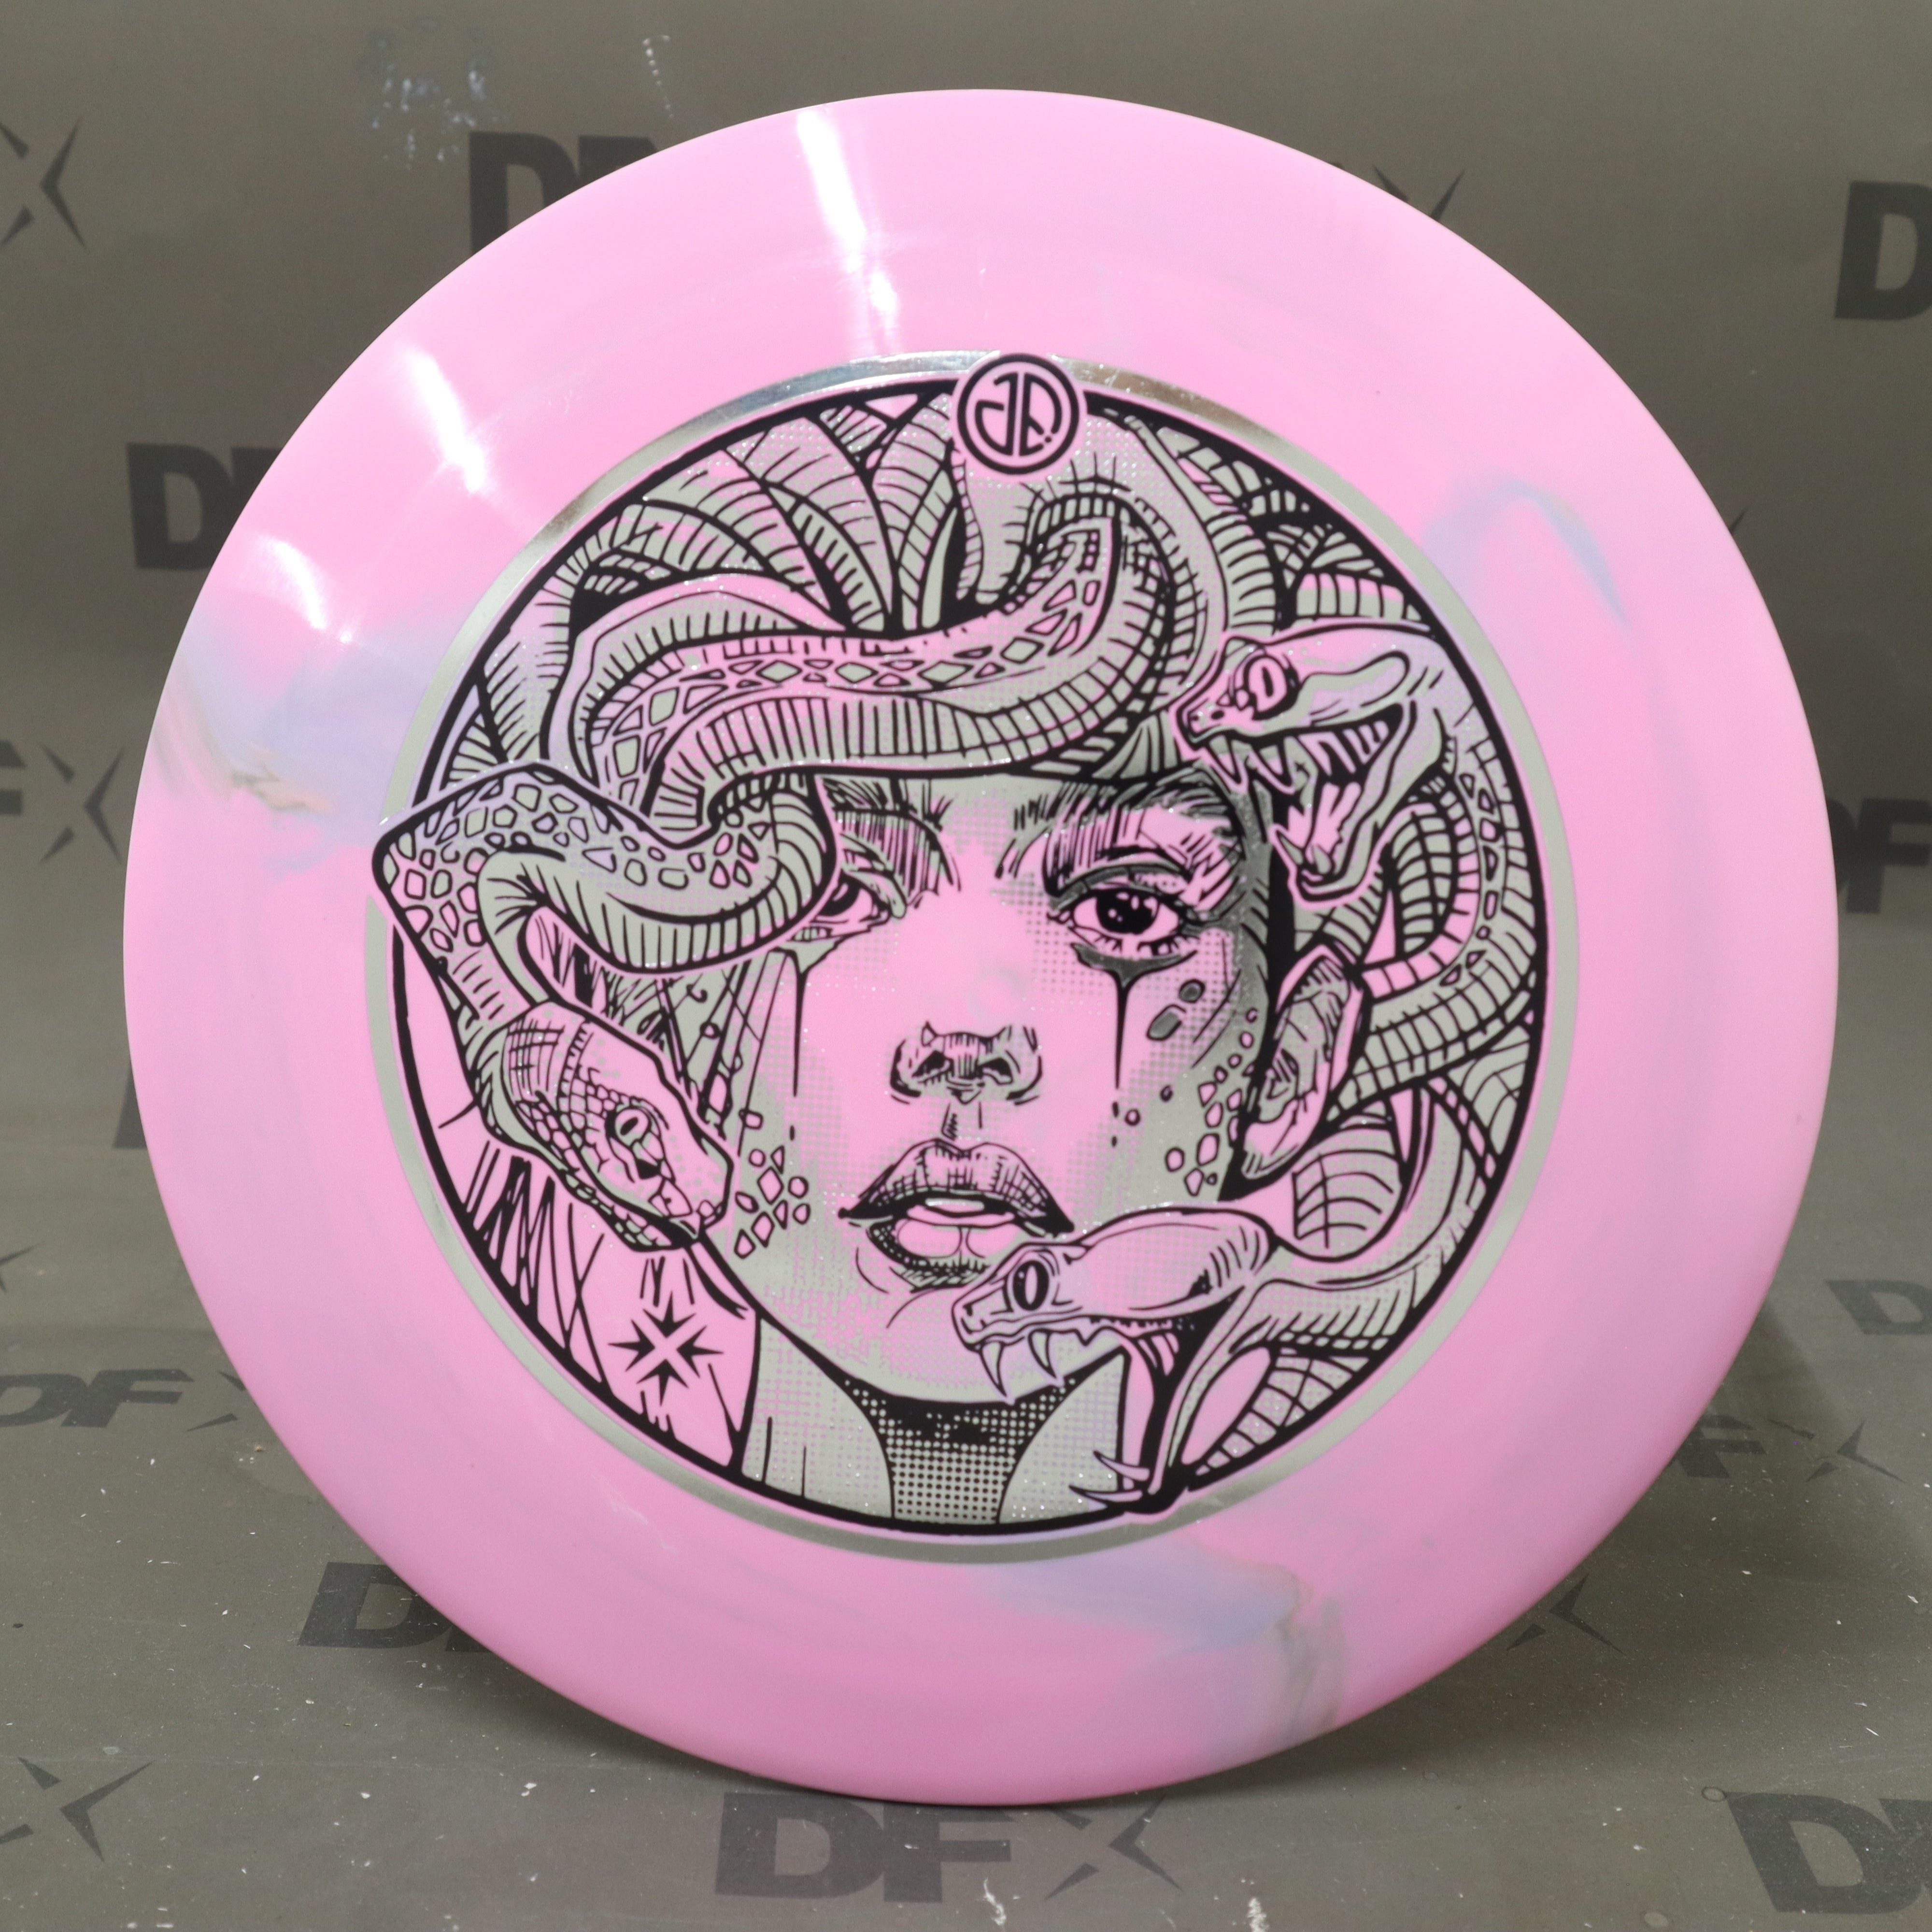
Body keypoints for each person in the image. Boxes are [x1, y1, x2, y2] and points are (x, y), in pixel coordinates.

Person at [376, 371, 1542, 1533]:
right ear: (647, 1011)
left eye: (1124, 912)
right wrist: (502, 1016)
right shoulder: (501, 1457)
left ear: (1288, 1064)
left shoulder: (1399, 1497)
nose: (964, 1044)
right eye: (838, 895)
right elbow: (436, 851)